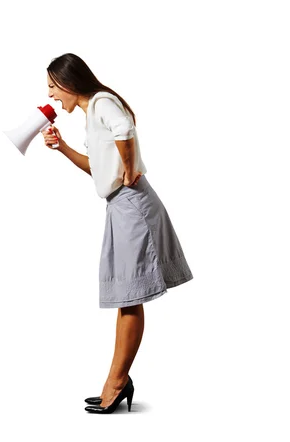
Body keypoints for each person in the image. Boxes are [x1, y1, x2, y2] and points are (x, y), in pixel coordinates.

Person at [42, 53, 193, 414]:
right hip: (120, 206)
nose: (50, 95)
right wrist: (62, 148)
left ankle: (116, 382)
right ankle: (117, 380)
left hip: (131, 204)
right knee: (127, 295)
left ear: (68, 82)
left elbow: (124, 130)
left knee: (129, 296)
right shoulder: (93, 113)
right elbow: (97, 168)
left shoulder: (100, 103)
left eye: (52, 87)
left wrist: (128, 170)